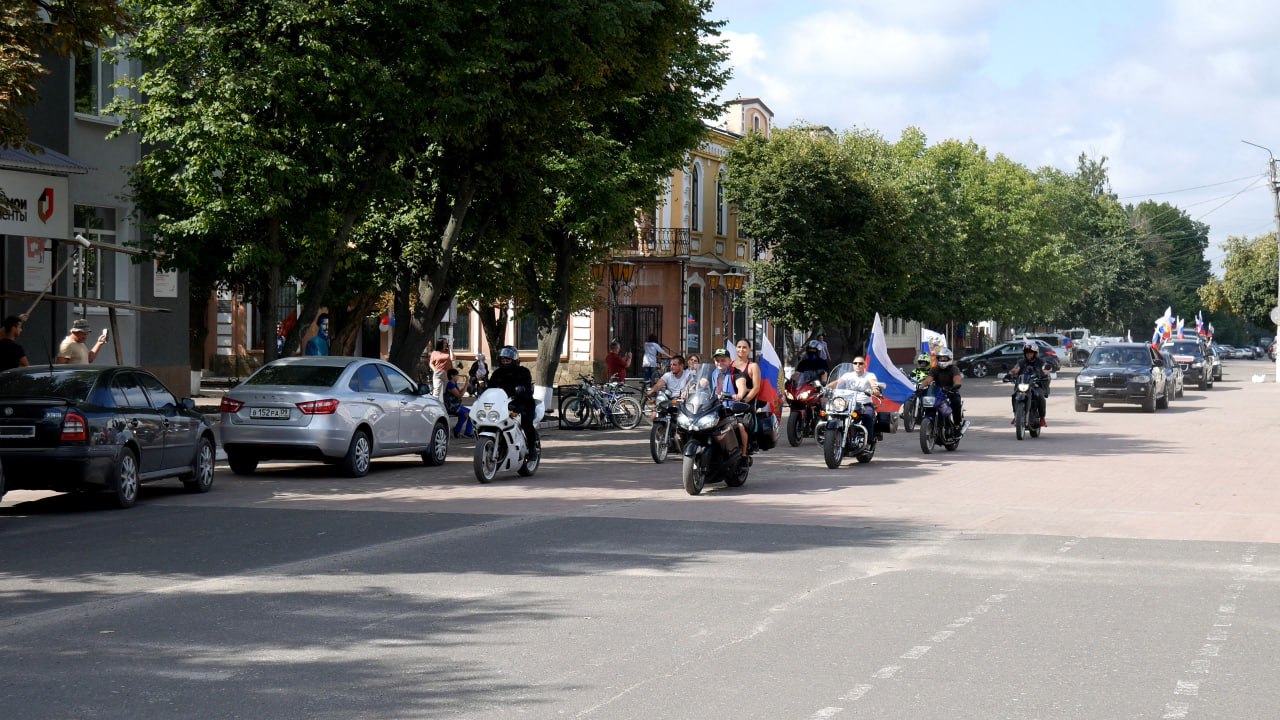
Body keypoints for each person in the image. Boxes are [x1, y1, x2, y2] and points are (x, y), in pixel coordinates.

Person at [487, 345, 538, 453]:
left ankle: (532, 448)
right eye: (503, 360)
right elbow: (490, 388)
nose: (505, 362)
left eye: (507, 360)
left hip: (523, 403)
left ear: (514, 360)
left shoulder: (523, 372)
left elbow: (527, 389)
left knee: (526, 423)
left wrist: (521, 392)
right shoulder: (497, 373)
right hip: (502, 404)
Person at [709, 347, 751, 455]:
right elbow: (701, 383)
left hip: (732, 408)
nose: (720, 363)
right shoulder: (713, 373)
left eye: (723, 360)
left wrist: (739, 394)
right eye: (717, 360)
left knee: (741, 426)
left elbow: (741, 384)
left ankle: (743, 454)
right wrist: (692, 389)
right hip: (716, 407)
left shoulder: (735, 373)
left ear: (729, 361)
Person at [833, 356, 883, 442]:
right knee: (833, 413)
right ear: (853, 365)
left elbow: (873, 382)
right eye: (855, 363)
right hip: (847, 403)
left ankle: (868, 442)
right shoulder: (848, 375)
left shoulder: (869, 375)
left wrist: (875, 389)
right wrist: (826, 387)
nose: (858, 365)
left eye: (860, 363)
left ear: (864, 365)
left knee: (868, 416)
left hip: (864, 403)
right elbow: (837, 383)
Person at [919, 348, 968, 434]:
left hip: (951, 391)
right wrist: (920, 387)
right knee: (927, 402)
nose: (942, 360)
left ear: (949, 358)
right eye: (940, 358)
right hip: (938, 393)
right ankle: (930, 421)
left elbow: (957, 379)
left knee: (956, 401)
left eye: (945, 358)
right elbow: (928, 380)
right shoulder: (934, 369)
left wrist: (955, 385)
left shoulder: (954, 369)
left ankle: (957, 425)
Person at [1005, 341, 1051, 426]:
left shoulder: (1040, 362)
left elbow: (1045, 370)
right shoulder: (1022, 362)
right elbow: (1016, 369)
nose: (1028, 354)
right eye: (1027, 352)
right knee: (1014, 395)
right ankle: (1016, 415)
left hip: (1035, 384)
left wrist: (1045, 373)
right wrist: (1009, 374)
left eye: (1031, 353)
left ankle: (1042, 418)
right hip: (1024, 384)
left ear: (1035, 353)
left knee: (1040, 396)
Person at [444, 368, 474, 438]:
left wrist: (464, 387)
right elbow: (459, 395)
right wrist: (466, 384)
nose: (458, 377)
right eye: (456, 375)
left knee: (471, 413)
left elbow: (459, 392)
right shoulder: (450, 385)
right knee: (467, 415)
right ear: (452, 376)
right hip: (452, 407)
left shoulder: (454, 384)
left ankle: (457, 431)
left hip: (457, 405)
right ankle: (466, 433)